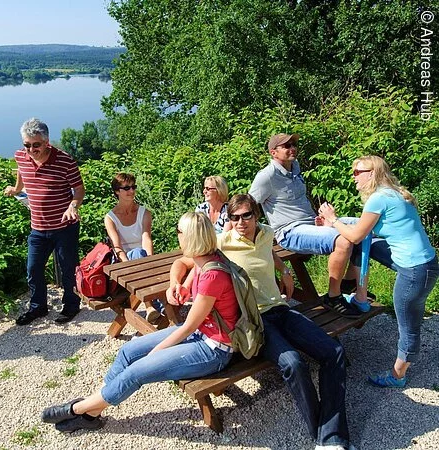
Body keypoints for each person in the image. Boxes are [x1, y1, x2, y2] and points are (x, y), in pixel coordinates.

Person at [168, 194, 353, 450]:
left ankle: (329, 437)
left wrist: (284, 270)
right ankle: (325, 434)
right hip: (255, 319)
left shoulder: (266, 233)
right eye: (233, 217)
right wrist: (175, 283)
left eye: (246, 215)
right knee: (293, 362)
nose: (240, 222)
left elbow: (268, 252)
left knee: (334, 352)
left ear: (257, 215)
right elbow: (183, 261)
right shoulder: (222, 242)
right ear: (229, 219)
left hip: (282, 309)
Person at [41, 211, 239, 433]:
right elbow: (182, 265)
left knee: (137, 371)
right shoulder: (205, 258)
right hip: (200, 333)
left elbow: (187, 327)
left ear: (191, 237)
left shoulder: (213, 275)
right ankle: (93, 410)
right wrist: (178, 285)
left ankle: (78, 409)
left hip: (214, 349)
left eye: (179, 231)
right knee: (128, 351)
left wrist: (156, 352)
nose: (177, 235)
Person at [318, 156, 438, 388]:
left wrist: (333, 220)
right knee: (369, 245)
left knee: (408, 324)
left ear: (372, 173)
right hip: (423, 263)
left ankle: (397, 376)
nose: (353, 177)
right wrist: (338, 222)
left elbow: (355, 235)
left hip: (415, 271)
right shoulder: (392, 193)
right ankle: (361, 298)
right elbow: (364, 226)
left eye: (357, 172)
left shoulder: (378, 199)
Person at [249, 133, 368, 318]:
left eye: (294, 144)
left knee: (362, 227)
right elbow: (248, 205)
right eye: (286, 146)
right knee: (343, 241)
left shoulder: (295, 167)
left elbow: (298, 202)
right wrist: (255, 234)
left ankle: (347, 283)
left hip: (311, 224)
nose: (292, 148)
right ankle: (333, 297)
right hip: (289, 231)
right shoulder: (266, 176)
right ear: (274, 152)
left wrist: (320, 219)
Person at [3, 118, 85, 325]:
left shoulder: (65, 160)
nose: (31, 149)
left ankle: (71, 306)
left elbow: (79, 189)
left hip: (64, 228)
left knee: (68, 270)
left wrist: (72, 206)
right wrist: (17, 188)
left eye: (36, 145)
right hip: (38, 228)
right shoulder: (20, 156)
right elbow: (21, 170)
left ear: (47, 142)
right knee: (33, 269)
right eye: (27, 145)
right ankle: (38, 307)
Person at [104, 172, 159, 320]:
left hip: (142, 259)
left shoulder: (144, 213)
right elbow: (117, 247)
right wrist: (128, 264)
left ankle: (158, 307)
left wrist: (149, 260)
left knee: (139, 253)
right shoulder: (110, 218)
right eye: (126, 188)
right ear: (117, 191)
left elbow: (146, 238)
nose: (131, 191)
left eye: (133, 187)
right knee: (136, 254)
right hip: (123, 261)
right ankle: (150, 306)